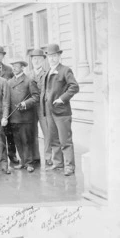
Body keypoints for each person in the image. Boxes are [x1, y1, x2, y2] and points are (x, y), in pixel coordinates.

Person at [41, 44, 79, 176]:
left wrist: (62, 99)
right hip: (49, 111)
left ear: (59, 56)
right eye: (49, 56)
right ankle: (58, 163)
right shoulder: (47, 72)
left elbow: (74, 87)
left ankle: (69, 166)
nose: (52, 59)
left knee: (65, 140)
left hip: (62, 112)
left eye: (54, 56)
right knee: (54, 140)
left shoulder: (65, 70)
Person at [0, 45, 19, 166]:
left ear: (3, 56)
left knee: (9, 134)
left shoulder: (9, 70)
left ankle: (12, 155)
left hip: (7, 107)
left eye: (0, 54)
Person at [8, 58, 39, 172]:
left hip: (26, 118)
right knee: (18, 141)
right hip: (14, 117)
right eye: (13, 66)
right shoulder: (9, 82)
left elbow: (36, 97)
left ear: (22, 67)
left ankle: (29, 163)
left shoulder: (29, 80)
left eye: (16, 66)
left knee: (26, 141)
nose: (14, 68)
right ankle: (23, 161)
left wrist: (25, 103)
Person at [28, 49, 53, 166]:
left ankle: (48, 157)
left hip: (44, 108)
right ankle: (35, 157)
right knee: (32, 133)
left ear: (43, 60)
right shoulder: (28, 75)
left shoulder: (48, 73)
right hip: (31, 109)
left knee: (47, 132)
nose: (36, 61)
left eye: (38, 58)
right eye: (34, 58)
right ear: (31, 60)